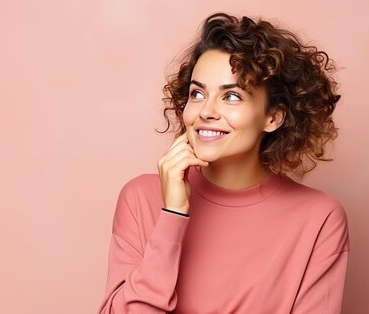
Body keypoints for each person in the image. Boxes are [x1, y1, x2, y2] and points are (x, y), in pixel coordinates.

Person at [97, 12, 349, 314]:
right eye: (198, 93)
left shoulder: (319, 219)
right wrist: (173, 215)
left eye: (231, 96)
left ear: (273, 117)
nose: (206, 111)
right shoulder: (140, 198)